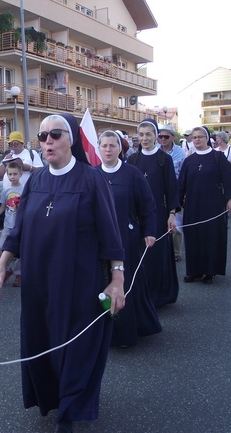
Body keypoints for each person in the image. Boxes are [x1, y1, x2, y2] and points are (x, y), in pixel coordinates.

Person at [0, 113, 124, 433]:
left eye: (55, 134)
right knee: (43, 341)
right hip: (39, 283)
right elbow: (18, 230)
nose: (47, 141)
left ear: (72, 139)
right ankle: (52, 398)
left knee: (77, 345)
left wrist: (118, 278)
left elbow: (111, 234)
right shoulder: (35, 180)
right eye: (42, 137)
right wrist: (1, 263)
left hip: (78, 282)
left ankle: (70, 410)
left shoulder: (91, 179)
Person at [97, 130, 160, 346]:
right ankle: (103, 333)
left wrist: (150, 232)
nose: (108, 149)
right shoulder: (92, 174)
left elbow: (148, 205)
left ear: (120, 148)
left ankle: (124, 333)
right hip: (99, 242)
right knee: (101, 283)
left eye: (112, 145)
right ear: (98, 148)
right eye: (104, 145)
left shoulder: (132, 174)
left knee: (126, 284)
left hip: (127, 238)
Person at [127, 119, 179, 307]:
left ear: (155, 136)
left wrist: (172, 214)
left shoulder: (164, 159)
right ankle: (141, 296)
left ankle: (157, 296)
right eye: (141, 135)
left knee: (156, 255)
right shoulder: (133, 159)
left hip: (158, 213)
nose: (144, 138)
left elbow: (171, 189)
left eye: (148, 134)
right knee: (139, 255)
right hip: (137, 215)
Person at [178, 127, 231, 283]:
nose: (197, 140)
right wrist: (175, 205)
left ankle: (210, 270)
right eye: (194, 137)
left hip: (213, 204)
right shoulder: (189, 160)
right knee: (193, 236)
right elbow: (181, 185)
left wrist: (230, 199)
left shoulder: (218, 157)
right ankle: (194, 271)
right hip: (193, 204)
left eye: (200, 137)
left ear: (207, 138)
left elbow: (228, 179)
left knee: (211, 236)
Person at [0, 160, 23, 287]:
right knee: (2, 247)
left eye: (15, 174)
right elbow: (2, 207)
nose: (12, 177)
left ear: (20, 174)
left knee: (21, 252)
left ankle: (19, 274)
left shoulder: (24, 190)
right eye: (10, 174)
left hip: (20, 226)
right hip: (7, 225)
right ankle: (7, 270)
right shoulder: (6, 191)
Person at [158, 124, 187, 262]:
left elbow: (184, 174)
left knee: (176, 221)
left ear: (173, 137)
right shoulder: (155, 150)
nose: (162, 139)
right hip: (158, 191)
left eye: (166, 137)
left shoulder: (180, 153)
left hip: (175, 190)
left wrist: (183, 193)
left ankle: (176, 252)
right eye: (160, 136)